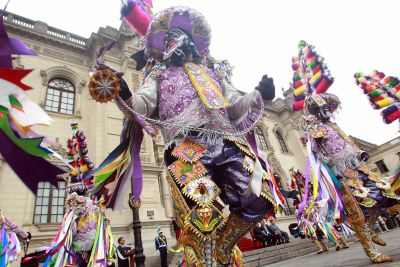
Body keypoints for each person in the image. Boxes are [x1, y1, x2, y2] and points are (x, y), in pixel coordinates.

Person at [110, 5, 283, 266]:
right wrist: (123, 93)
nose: (176, 44)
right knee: (204, 212)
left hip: (227, 143)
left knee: (259, 197)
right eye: (169, 40)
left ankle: (224, 245)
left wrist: (258, 94)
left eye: (179, 38)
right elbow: (141, 105)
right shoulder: (159, 76)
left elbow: (235, 105)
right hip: (186, 149)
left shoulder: (214, 74)